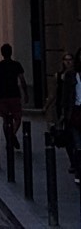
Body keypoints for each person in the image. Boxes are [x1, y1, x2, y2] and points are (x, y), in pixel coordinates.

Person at [0, 43, 28, 149]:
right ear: (11, 53)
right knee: (17, 118)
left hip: (2, 95)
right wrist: (26, 93)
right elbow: (22, 80)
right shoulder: (16, 65)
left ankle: (9, 138)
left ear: (2, 53)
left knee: (6, 120)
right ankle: (12, 135)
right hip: (14, 94)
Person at [46, 51, 76, 172]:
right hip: (62, 109)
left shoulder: (76, 75)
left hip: (74, 109)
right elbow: (54, 93)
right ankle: (73, 161)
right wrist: (47, 106)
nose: (68, 62)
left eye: (70, 59)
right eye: (66, 60)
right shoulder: (58, 76)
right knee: (67, 136)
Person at [60, 48, 81, 183]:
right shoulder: (70, 76)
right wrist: (62, 115)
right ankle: (78, 171)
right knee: (77, 144)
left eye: (70, 60)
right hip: (75, 112)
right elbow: (65, 97)